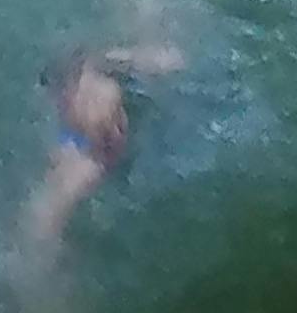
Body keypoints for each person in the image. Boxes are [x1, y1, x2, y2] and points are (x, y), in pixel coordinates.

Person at [21, 44, 184, 246]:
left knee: (50, 207)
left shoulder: (100, 100)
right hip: (91, 138)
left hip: (98, 145)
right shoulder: (92, 90)